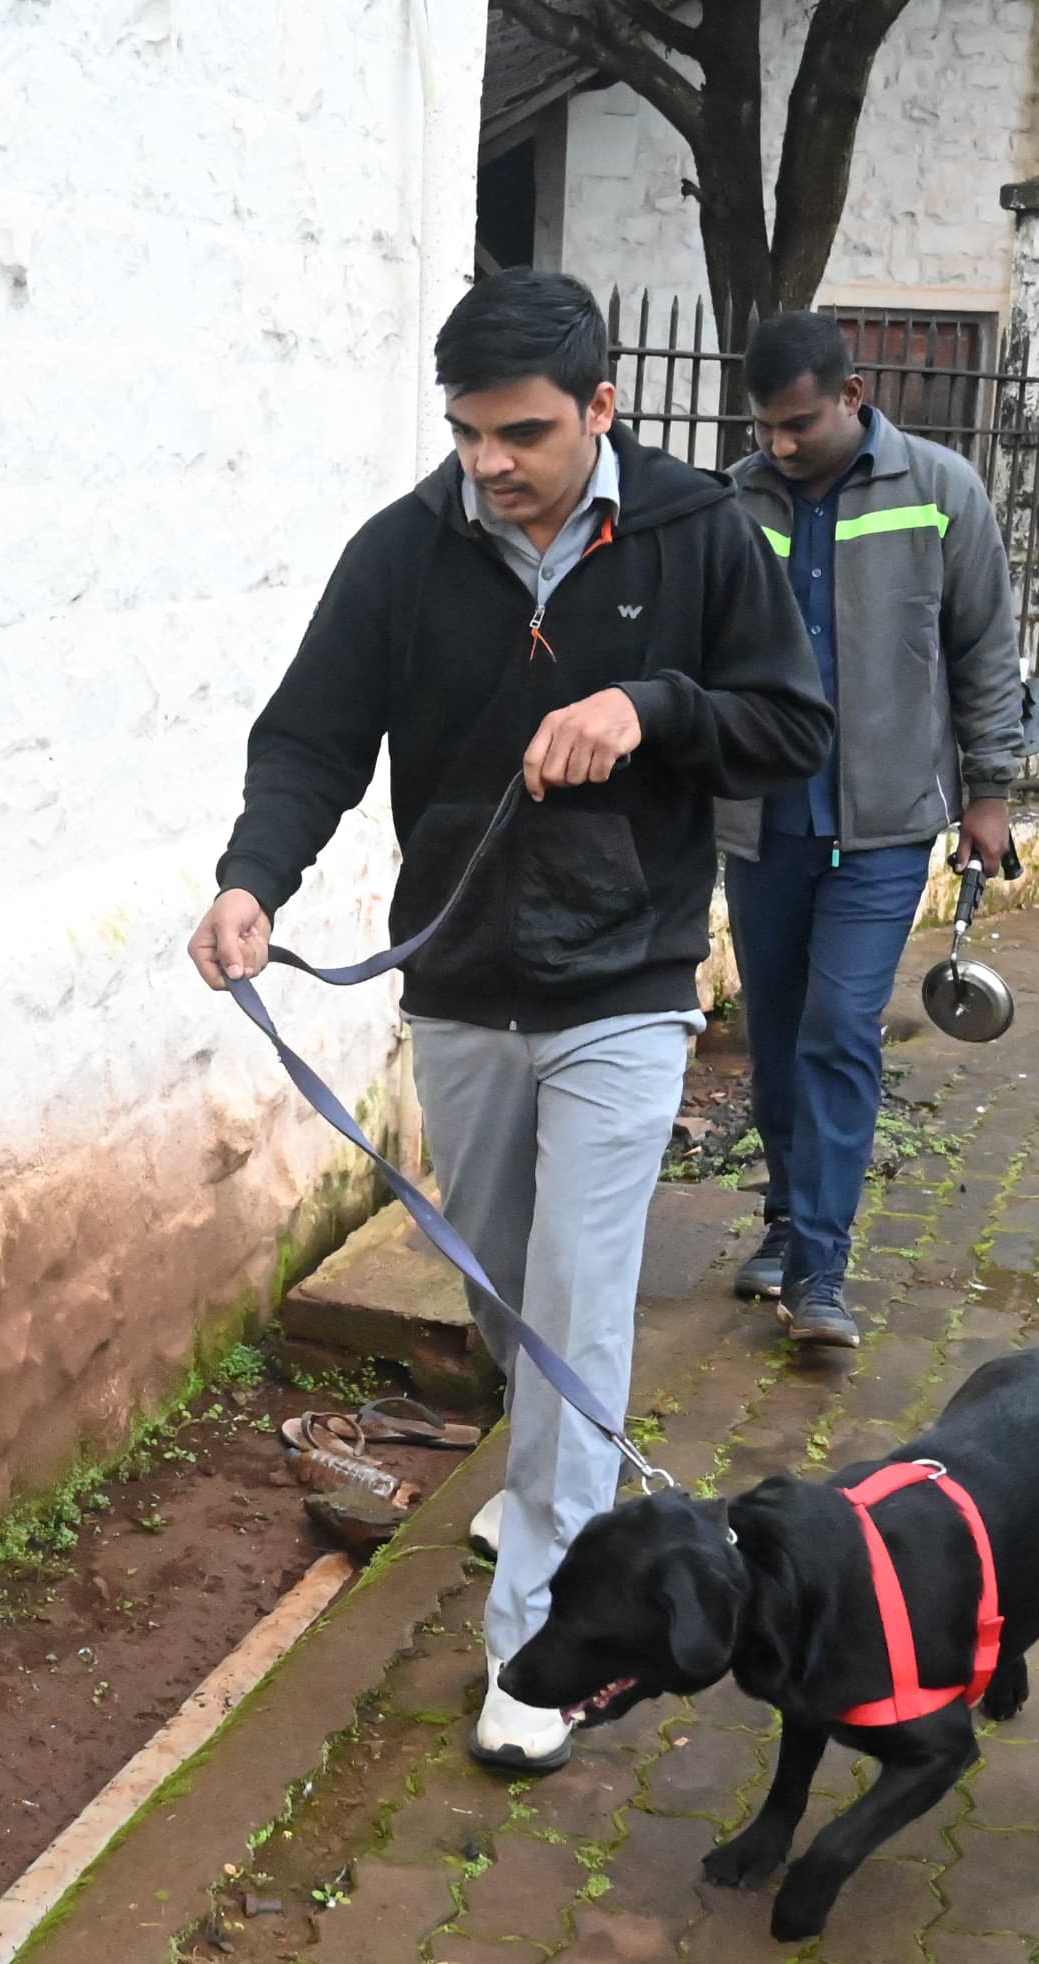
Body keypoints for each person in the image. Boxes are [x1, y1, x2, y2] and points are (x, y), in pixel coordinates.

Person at [193, 270, 829, 1773]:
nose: (490, 462)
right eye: (469, 431)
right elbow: (311, 737)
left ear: (603, 408)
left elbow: (793, 723)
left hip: (626, 978)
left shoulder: (695, 533)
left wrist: (654, 708)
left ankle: (536, 1640)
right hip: (466, 978)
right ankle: (550, 1465)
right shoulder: (404, 553)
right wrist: (250, 878)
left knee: (579, 1301)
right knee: (497, 1269)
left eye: (524, 431)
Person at [716, 313, 1026, 1350]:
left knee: (837, 1031)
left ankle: (819, 1269)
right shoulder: (737, 498)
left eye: (798, 423)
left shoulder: (940, 492)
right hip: (763, 819)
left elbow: (983, 649)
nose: (780, 445)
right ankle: (781, 1215)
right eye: (764, 427)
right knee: (772, 1032)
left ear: (851, 397)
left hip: (884, 827)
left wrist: (989, 791)